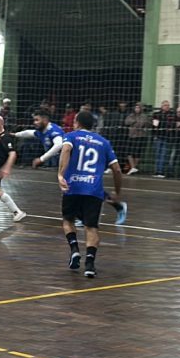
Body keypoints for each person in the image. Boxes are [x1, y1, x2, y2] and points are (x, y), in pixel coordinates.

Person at [57, 110, 123, 278]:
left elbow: (65, 151)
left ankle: (74, 250)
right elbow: (117, 169)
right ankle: (90, 265)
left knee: (68, 220)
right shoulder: (104, 142)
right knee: (91, 227)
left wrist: (60, 174)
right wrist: (117, 191)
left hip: (73, 187)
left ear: (77, 122)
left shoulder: (71, 136)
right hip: (94, 190)